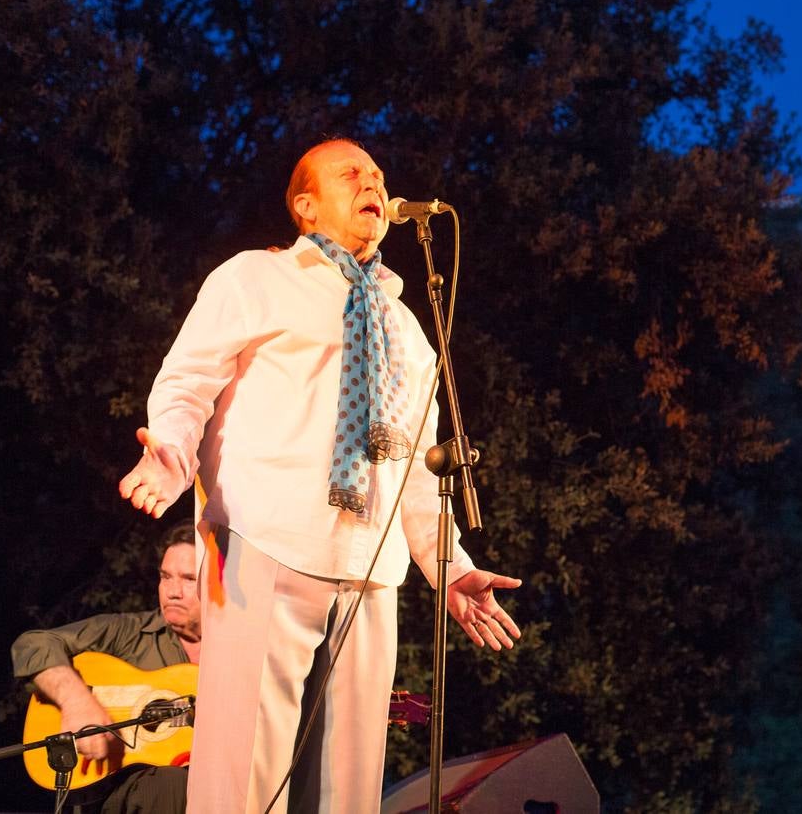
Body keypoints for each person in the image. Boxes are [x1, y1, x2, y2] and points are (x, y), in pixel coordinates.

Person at [117, 137, 522, 813]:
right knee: (241, 777)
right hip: (262, 542)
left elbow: (418, 468)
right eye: (350, 173)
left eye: (378, 173)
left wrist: (449, 567)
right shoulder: (255, 278)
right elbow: (187, 383)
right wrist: (171, 451)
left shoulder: (408, 325)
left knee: (349, 787)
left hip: (371, 570)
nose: (371, 180)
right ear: (306, 206)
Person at [11, 521, 201, 814]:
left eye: (189, 579)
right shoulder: (128, 633)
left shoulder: (242, 654)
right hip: (128, 789)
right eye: (165, 576)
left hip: (211, 785)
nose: (172, 591)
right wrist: (77, 703)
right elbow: (33, 644)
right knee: (171, 785)